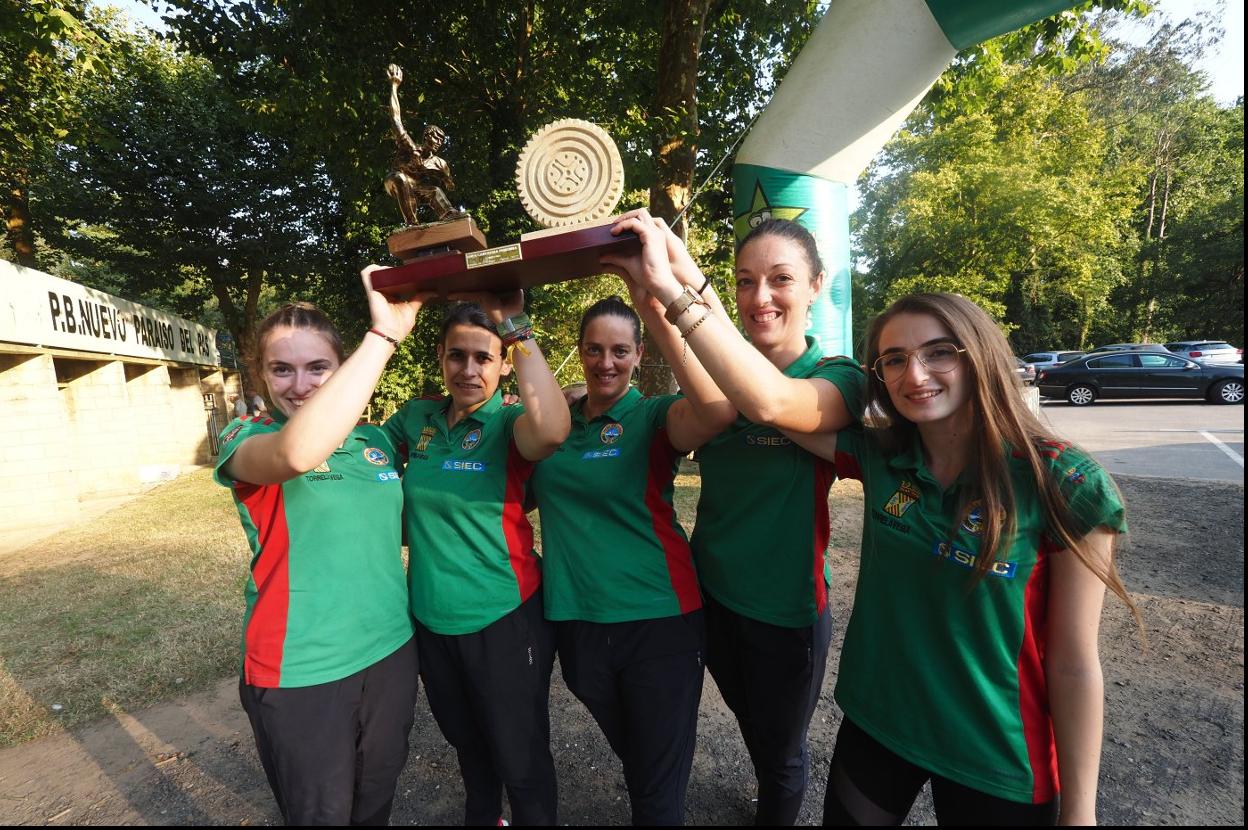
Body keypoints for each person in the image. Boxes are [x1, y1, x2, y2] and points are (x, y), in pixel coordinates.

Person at [802, 292, 1139, 826]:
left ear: (978, 353)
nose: (915, 375)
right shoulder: (882, 455)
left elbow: (1074, 661)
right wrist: (674, 293)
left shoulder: (1064, 481)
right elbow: (766, 404)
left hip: (995, 752)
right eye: (894, 359)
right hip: (879, 722)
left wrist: (1081, 811)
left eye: (939, 352)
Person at [605, 211, 865, 825]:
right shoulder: (726, 370)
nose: (760, 297)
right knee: (750, 724)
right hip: (712, 598)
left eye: (780, 279)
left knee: (779, 754)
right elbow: (717, 392)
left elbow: (768, 401)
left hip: (785, 612)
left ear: (816, 285)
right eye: (745, 281)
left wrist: (672, 287)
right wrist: (653, 296)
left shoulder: (837, 378)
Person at [214, 270, 431, 826]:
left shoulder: (376, 441)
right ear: (260, 374)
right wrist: (382, 338)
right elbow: (297, 453)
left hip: (389, 652)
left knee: (375, 802)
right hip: (300, 669)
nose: (301, 385)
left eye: (318, 368)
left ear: (338, 371)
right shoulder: (247, 440)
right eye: (281, 369)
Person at [529, 286, 735, 824]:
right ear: (580, 351)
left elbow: (716, 409)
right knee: (640, 756)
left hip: (660, 619)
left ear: (640, 355)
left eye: (620, 350)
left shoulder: (653, 416)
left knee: (654, 785)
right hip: (577, 622)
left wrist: (656, 309)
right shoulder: (554, 428)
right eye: (594, 349)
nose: (606, 362)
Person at [382, 291, 570, 826]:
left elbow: (554, 429)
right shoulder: (415, 418)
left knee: (520, 755)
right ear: (440, 357)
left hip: (504, 617)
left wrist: (516, 323)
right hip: (431, 619)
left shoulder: (510, 425)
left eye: (484, 357)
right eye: (456, 356)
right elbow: (359, 449)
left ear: (504, 365)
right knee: (467, 745)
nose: (468, 370)